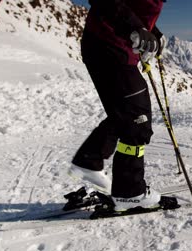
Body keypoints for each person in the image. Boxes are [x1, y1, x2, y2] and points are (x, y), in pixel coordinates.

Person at [68, 0, 166, 212]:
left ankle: (90, 159)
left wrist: (151, 32)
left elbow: (131, 7)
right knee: (136, 119)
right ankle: (129, 193)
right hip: (109, 48)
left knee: (125, 113)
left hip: (112, 48)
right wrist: (135, 28)